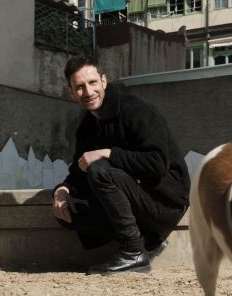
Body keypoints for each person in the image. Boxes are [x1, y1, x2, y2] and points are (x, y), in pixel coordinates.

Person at [53, 55, 190, 274]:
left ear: (104, 81)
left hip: (166, 200)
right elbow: (80, 167)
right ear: (71, 92)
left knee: (100, 170)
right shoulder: (87, 126)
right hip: (136, 200)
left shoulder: (136, 110)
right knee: (69, 212)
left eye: (92, 83)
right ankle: (148, 242)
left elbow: (157, 164)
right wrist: (63, 189)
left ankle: (133, 252)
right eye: (79, 87)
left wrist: (108, 153)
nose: (88, 92)